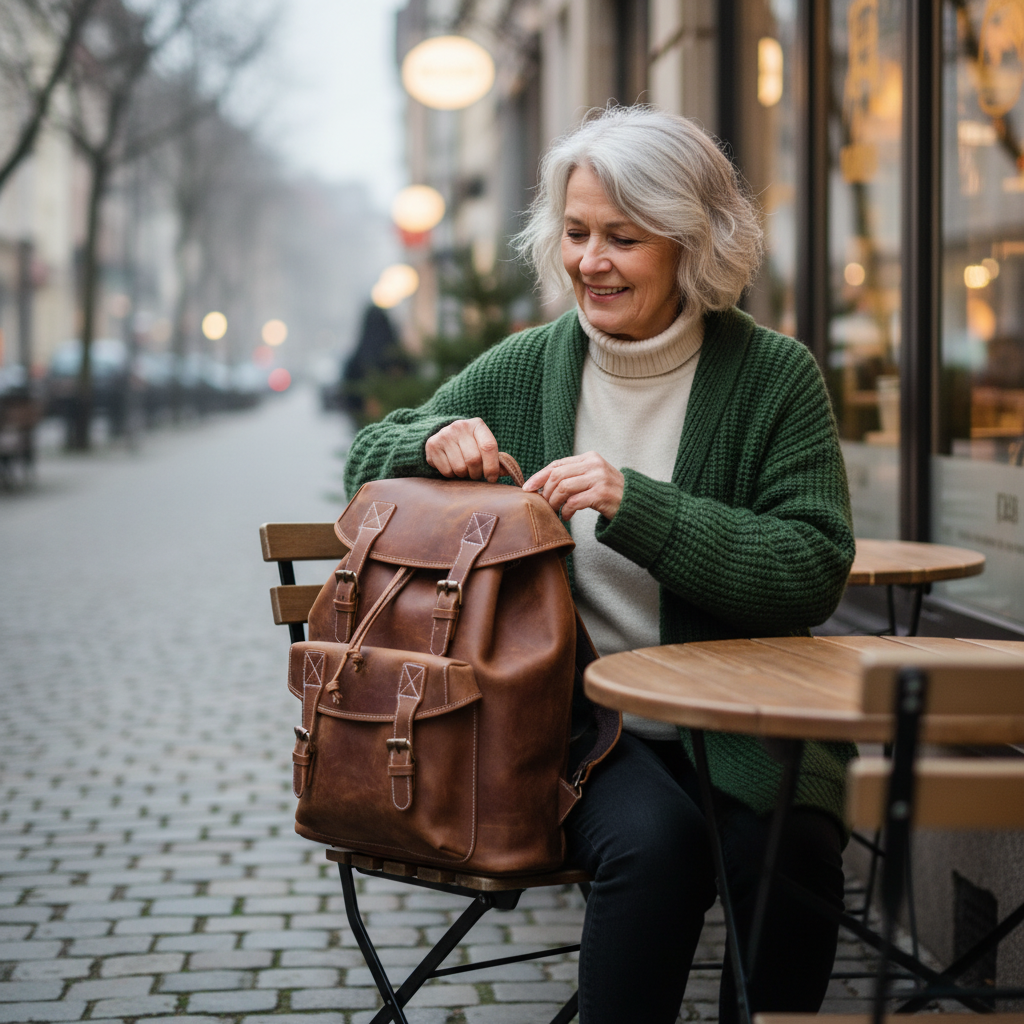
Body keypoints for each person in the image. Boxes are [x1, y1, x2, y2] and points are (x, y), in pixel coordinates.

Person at [343, 106, 856, 1024]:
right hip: (581, 730)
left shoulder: (775, 377)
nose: (590, 260)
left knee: (788, 847)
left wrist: (638, 506)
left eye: (623, 236)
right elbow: (365, 459)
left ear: (690, 243)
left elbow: (811, 564)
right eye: (577, 233)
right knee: (654, 849)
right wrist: (431, 439)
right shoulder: (528, 367)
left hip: (746, 721)